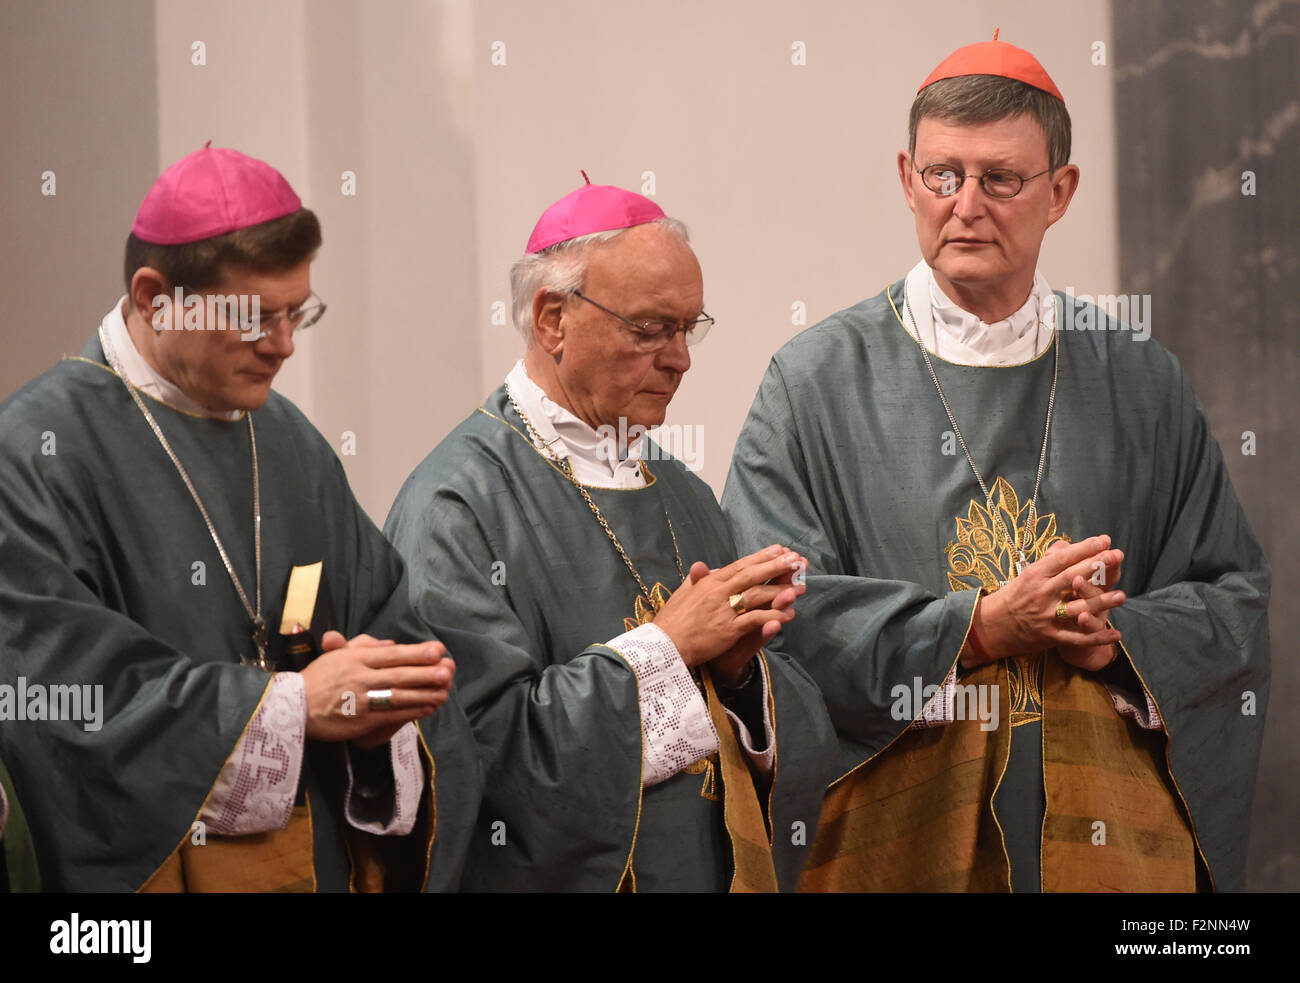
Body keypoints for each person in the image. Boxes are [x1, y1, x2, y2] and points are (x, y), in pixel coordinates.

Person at [722, 35, 1270, 892]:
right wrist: (974, 629)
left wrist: (1119, 639)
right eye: (943, 175)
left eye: (1001, 179)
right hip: (899, 838)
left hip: (1111, 848)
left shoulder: (1139, 377)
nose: (965, 205)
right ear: (907, 178)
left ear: (1062, 191)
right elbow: (772, 620)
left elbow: (1232, 601)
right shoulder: (815, 381)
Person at [0, 145, 481, 892]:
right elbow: (61, 705)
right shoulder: (36, 452)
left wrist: (381, 716)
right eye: (255, 316)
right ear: (156, 295)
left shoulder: (288, 442)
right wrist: (291, 707)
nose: (284, 345)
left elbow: (387, 625)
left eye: (298, 313)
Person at [384, 178, 838, 891]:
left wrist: (741, 675)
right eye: (650, 328)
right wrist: (668, 647)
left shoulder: (681, 492)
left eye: (689, 327)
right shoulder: (457, 502)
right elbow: (478, 758)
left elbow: (790, 728)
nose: (681, 358)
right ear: (552, 319)